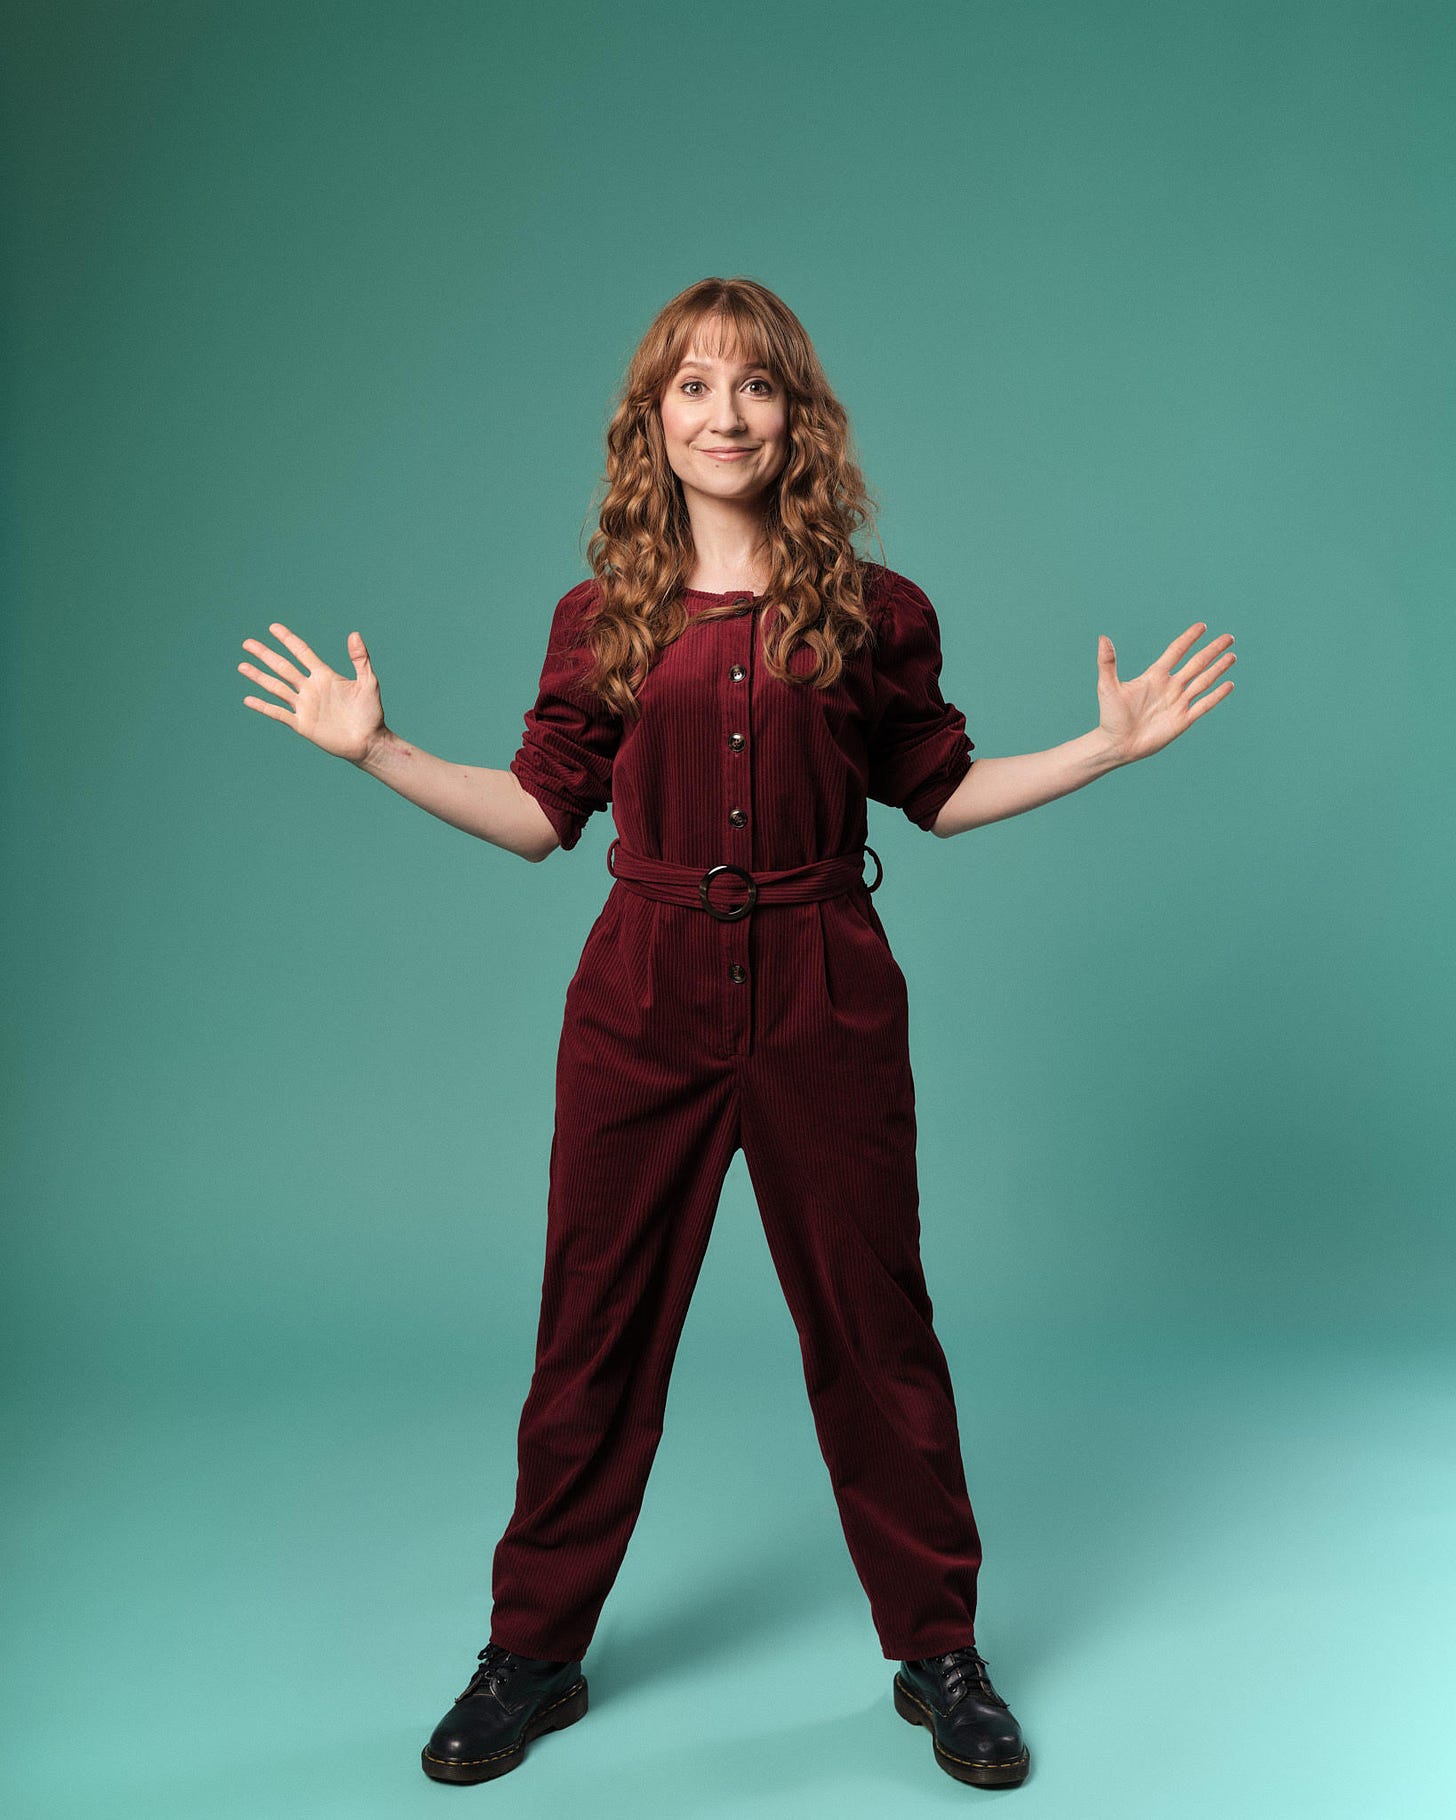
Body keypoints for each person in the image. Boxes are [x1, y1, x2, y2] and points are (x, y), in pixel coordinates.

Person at [238, 277, 1235, 1792]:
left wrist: (1105, 746)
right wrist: (376, 750)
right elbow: (533, 821)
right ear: (654, 423)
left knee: (874, 1324)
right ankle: (532, 1654)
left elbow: (943, 793)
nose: (724, 413)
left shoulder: (872, 611)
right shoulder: (604, 620)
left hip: (825, 977)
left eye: (754, 387)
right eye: (693, 387)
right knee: (595, 1327)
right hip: (644, 990)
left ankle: (939, 1652)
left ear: (794, 420)